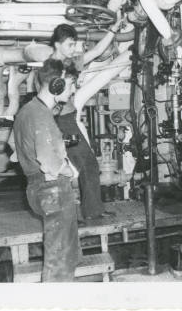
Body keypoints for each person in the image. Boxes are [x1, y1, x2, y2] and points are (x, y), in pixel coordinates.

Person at [49, 22, 132, 221]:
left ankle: (92, 210)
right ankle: (82, 212)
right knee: (78, 165)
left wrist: (112, 30)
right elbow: (48, 101)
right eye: (70, 45)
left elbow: (96, 51)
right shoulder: (48, 69)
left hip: (67, 120)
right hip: (60, 123)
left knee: (87, 164)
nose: (73, 49)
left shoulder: (68, 64)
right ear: (57, 45)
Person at [13, 58, 80, 282]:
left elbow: (14, 148)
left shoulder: (25, 111)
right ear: (57, 85)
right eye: (71, 85)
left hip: (35, 187)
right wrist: (70, 171)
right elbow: (49, 163)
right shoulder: (41, 115)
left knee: (62, 253)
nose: (72, 92)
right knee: (60, 261)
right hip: (53, 191)